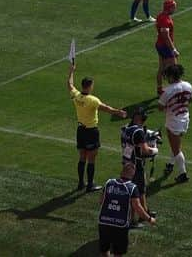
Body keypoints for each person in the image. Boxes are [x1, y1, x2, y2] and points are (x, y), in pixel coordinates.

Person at [67, 62, 127, 192]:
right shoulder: (92, 100)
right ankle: (90, 185)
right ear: (89, 86)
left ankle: (81, 183)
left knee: (82, 157)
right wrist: (119, 112)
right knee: (92, 158)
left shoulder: (77, 96)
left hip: (80, 130)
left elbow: (70, 84)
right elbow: (106, 108)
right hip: (91, 131)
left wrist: (71, 71)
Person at [97, 162, 155, 253]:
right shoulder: (132, 188)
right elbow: (138, 208)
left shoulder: (109, 183)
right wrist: (149, 219)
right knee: (118, 252)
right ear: (132, 175)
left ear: (121, 172)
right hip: (120, 225)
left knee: (105, 249)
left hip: (104, 222)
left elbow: (101, 201)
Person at [157, 62, 192, 183]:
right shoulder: (188, 85)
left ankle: (183, 173)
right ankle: (170, 163)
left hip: (173, 121)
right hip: (185, 118)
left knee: (176, 149)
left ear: (172, 76)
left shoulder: (167, 91)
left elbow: (160, 107)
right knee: (176, 145)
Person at [119, 106, 155, 204]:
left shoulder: (125, 128)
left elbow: (133, 140)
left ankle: (131, 212)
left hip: (126, 162)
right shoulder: (138, 132)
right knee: (140, 191)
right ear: (139, 117)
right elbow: (145, 151)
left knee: (129, 188)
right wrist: (154, 150)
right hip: (136, 164)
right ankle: (141, 213)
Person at [154, 0, 180, 93]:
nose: (174, 9)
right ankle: (173, 90)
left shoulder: (160, 15)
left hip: (159, 44)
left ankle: (160, 88)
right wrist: (173, 49)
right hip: (165, 46)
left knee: (162, 67)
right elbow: (165, 36)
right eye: (173, 7)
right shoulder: (165, 19)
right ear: (169, 8)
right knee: (174, 68)